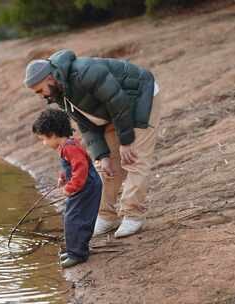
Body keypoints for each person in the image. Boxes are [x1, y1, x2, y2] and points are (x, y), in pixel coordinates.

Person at [24, 49, 162, 238]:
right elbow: (85, 124)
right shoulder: (60, 92)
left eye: (40, 90)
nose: (42, 96)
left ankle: (133, 215)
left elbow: (118, 102)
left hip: (139, 99)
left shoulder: (85, 72)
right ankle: (106, 216)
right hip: (112, 111)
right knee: (106, 166)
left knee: (134, 159)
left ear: (50, 78)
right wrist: (102, 155)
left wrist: (126, 141)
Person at [32, 109, 102, 268]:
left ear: (52, 134)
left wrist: (70, 187)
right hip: (83, 186)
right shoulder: (67, 145)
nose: (44, 143)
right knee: (71, 217)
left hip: (86, 187)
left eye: (43, 139)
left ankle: (78, 254)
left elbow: (81, 169)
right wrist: (64, 177)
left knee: (75, 219)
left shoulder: (70, 148)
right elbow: (71, 166)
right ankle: (75, 250)